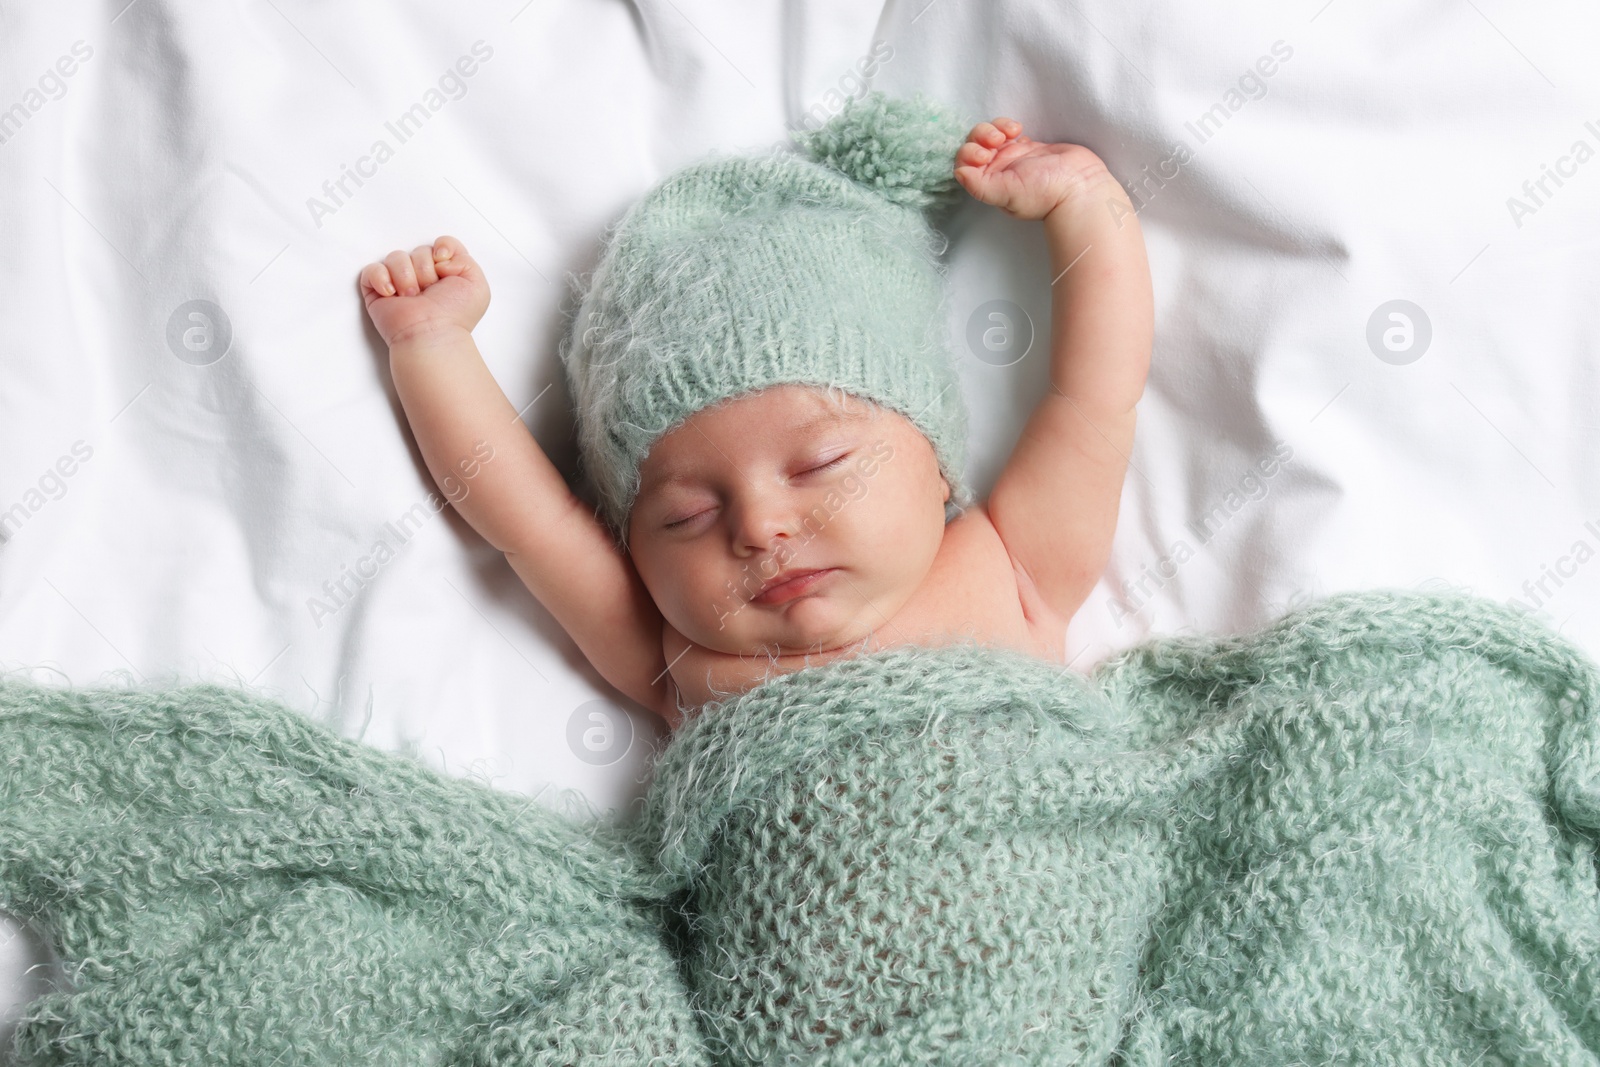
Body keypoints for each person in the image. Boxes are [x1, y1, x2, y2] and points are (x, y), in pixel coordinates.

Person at [358, 92, 1152, 731]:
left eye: (820, 466)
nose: (762, 527)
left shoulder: (1012, 566)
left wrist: (1084, 203)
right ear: (637, 551)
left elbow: (1095, 398)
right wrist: (430, 344)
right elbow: (529, 521)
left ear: (936, 462)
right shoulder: (679, 661)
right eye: (688, 515)